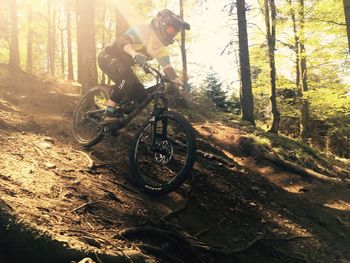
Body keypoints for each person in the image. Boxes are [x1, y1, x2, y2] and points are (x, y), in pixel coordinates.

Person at [97, 9, 190, 124]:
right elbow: (124, 41)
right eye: (171, 30)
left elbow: (168, 68)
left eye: (175, 33)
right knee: (126, 79)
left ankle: (117, 119)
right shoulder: (144, 30)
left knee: (141, 95)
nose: (173, 34)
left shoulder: (161, 48)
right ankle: (108, 114)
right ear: (162, 23)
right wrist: (134, 53)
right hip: (108, 56)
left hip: (124, 65)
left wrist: (179, 81)